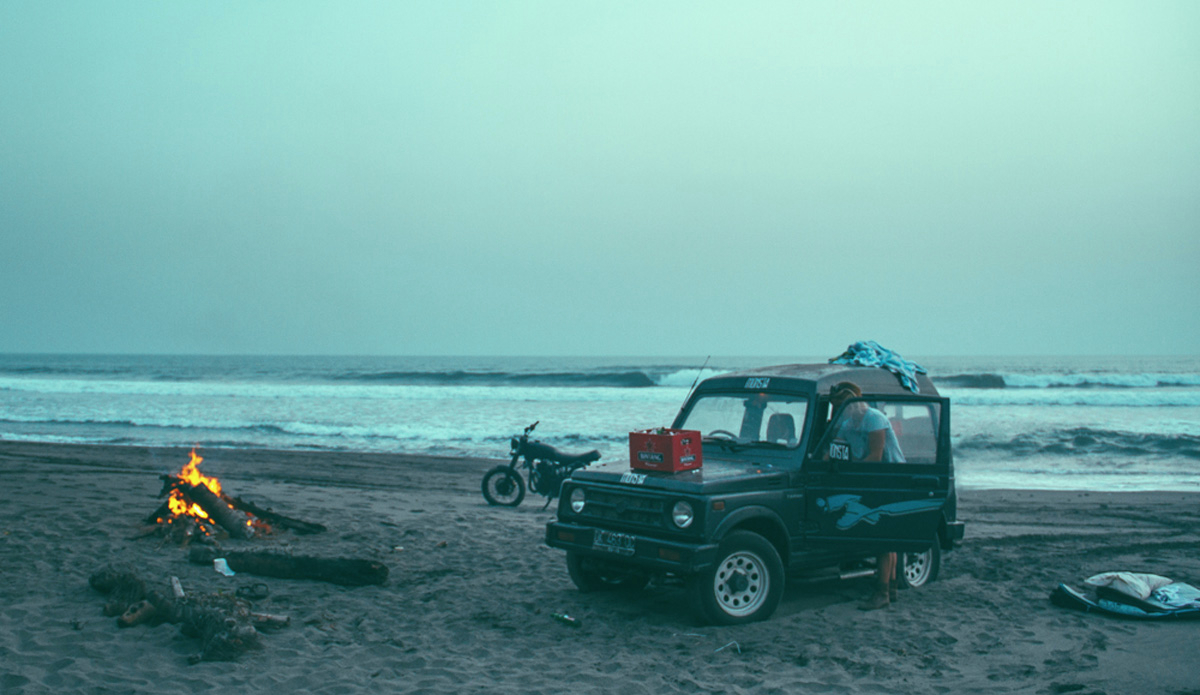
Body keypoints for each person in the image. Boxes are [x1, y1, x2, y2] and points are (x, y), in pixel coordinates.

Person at [827, 382, 904, 610]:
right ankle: (891, 588)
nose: (837, 412)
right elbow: (836, 448)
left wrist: (851, 470)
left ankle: (882, 593)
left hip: (890, 477)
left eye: (840, 407)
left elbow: (875, 456)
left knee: (883, 539)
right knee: (886, 538)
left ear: (851, 404)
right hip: (871, 479)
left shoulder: (874, 418)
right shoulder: (848, 424)